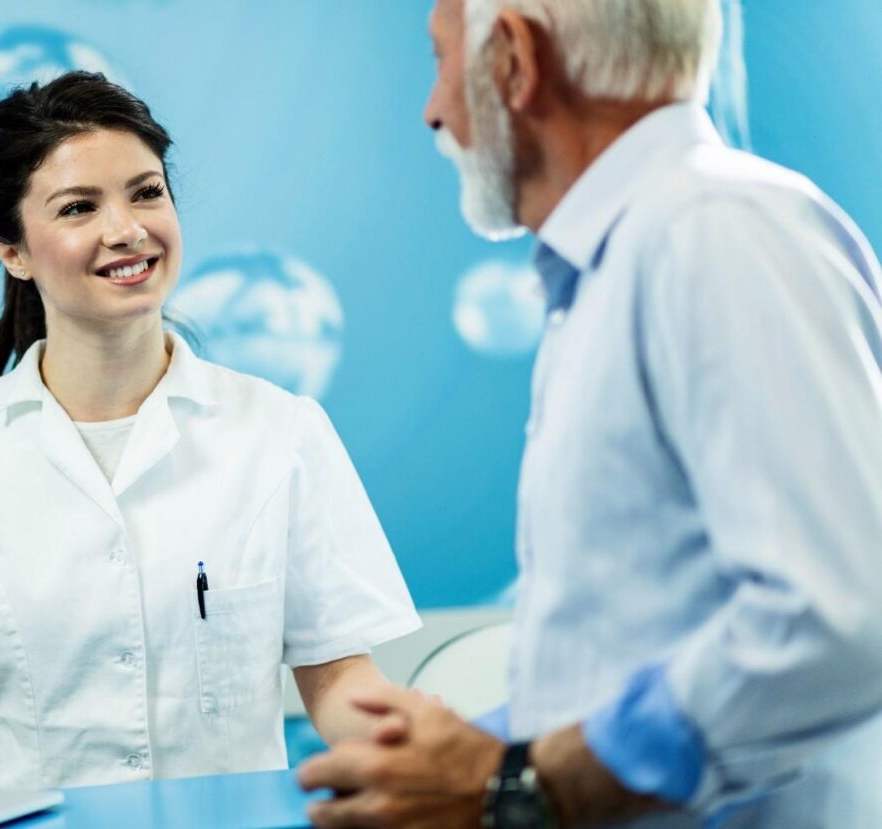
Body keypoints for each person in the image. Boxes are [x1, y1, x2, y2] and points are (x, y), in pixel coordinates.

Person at [298, 0, 882, 827]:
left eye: (440, 61)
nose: (432, 108)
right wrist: (470, 751)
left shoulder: (711, 229)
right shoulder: (628, 260)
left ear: (514, 62)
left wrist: (529, 780)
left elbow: (839, 616)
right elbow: (636, 641)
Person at [0, 71, 422, 791]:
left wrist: (434, 752)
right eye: (79, 207)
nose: (127, 229)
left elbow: (338, 681)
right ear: (12, 250)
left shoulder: (282, 431)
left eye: (147, 192)